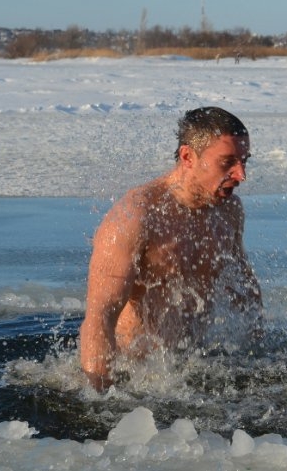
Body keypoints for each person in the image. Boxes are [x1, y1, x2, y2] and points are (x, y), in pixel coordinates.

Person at [80, 106, 262, 391]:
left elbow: (244, 291)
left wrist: (258, 358)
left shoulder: (229, 212)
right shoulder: (136, 217)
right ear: (188, 157)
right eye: (227, 162)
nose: (241, 175)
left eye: (244, 161)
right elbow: (99, 317)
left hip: (193, 367)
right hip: (136, 375)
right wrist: (98, 396)